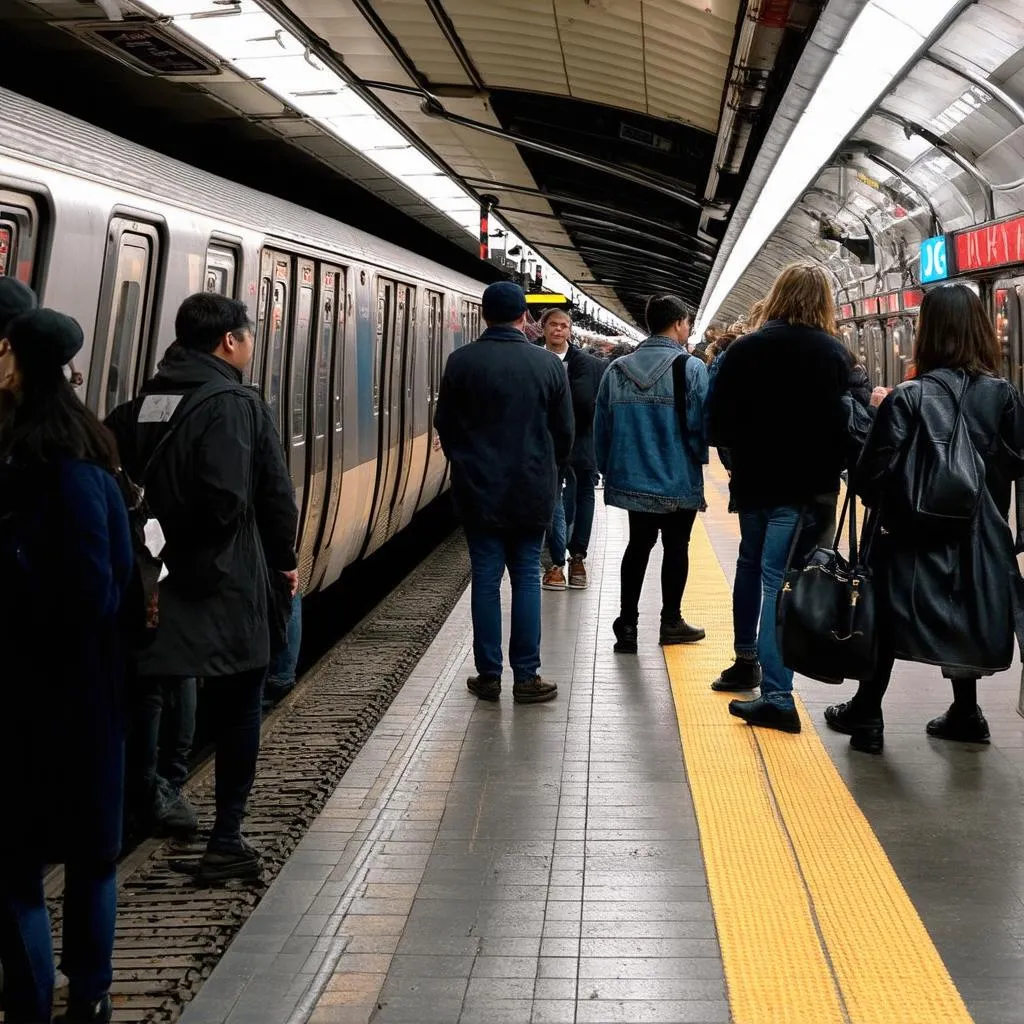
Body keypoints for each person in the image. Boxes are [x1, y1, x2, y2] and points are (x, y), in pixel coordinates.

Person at [106, 293, 298, 882]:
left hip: (147, 578)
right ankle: (226, 838)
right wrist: (283, 562)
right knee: (241, 703)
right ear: (229, 342)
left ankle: (133, 811)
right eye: (248, 336)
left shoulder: (141, 404)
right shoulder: (238, 404)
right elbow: (258, 497)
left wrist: (153, 550)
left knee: (144, 693)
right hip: (222, 578)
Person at [0, 309, 133, 1024]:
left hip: (50, 696)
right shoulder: (87, 451)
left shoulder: (58, 466)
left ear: (18, 363)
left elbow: (93, 589)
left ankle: (53, 1001)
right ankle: (86, 997)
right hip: (80, 697)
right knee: (88, 859)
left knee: (28, 864)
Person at [826, 284, 1024, 753]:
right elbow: (1013, 465)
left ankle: (868, 715)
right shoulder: (1004, 396)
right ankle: (966, 712)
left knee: (884, 610)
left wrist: (873, 418)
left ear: (927, 332)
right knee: (966, 610)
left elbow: (870, 479)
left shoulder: (908, 396)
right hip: (980, 533)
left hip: (907, 533)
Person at [708, 263, 850, 733]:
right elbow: (843, 428)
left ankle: (746, 659)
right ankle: (777, 697)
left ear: (776, 295)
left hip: (754, 485)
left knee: (751, 567)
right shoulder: (834, 354)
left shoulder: (744, 350)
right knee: (777, 580)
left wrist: (742, 459)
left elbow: (718, 422)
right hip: (803, 491)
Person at [435, 281, 573, 704]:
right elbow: (564, 431)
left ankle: (489, 675)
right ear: (524, 318)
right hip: (531, 489)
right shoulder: (547, 365)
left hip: (479, 490)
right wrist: (551, 469)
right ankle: (527, 676)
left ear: (483, 316)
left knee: (486, 580)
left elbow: (445, 423)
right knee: (528, 576)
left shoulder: (460, 362)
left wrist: (466, 461)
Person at [594, 294, 708, 653]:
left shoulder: (617, 369)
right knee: (677, 547)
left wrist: (608, 468)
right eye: (688, 323)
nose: (688, 330)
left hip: (632, 477)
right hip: (676, 478)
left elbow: (602, 427)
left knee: (638, 546)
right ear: (677, 324)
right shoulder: (690, 368)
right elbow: (699, 426)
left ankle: (627, 625)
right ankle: (670, 621)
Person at [538, 308, 607, 591]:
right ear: (543, 328)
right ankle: (556, 562)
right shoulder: (535, 358)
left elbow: (594, 402)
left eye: (564, 325)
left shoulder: (589, 364)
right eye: (554, 325)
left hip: (581, 441)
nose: (559, 330)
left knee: (583, 495)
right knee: (552, 499)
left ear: (570, 330)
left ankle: (577, 556)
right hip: (546, 443)